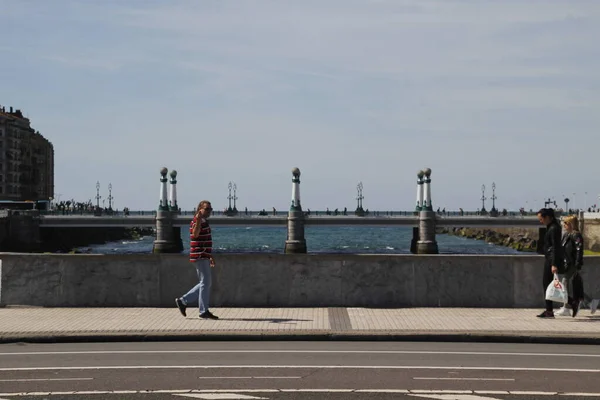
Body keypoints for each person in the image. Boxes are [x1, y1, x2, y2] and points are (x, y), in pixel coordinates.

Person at [175, 200, 219, 320]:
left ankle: (183, 301)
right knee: (206, 282)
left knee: (205, 283)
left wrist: (210, 256)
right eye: (207, 209)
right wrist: (199, 219)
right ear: (200, 209)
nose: (209, 211)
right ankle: (203, 311)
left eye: (210, 209)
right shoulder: (197, 220)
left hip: (203, 254)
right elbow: (195, 234)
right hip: (199, 255)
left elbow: (204, 240)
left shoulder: (204, 221)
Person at [536, 208, 565, 318]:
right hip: (550, 259)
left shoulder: (553, 229)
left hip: (551, 260)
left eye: (541, 219)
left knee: (548, 285)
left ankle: (551, 310)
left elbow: (556, 247)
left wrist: (554, 264)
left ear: (548, 217)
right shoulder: (552, 227)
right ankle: (549, 310)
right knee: (548, 285)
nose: (540, 221)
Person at [555, 215, 584, 317]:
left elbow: (579, 250)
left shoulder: (576, 235)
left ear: (571, 224)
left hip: (572, 263)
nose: (564, 225)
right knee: (565, 284)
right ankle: (567, 306)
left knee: (564, 284)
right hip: (567, 263)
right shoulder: (568, 234)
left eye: (566, 223)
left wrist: (577, 263)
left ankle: (568, 306)